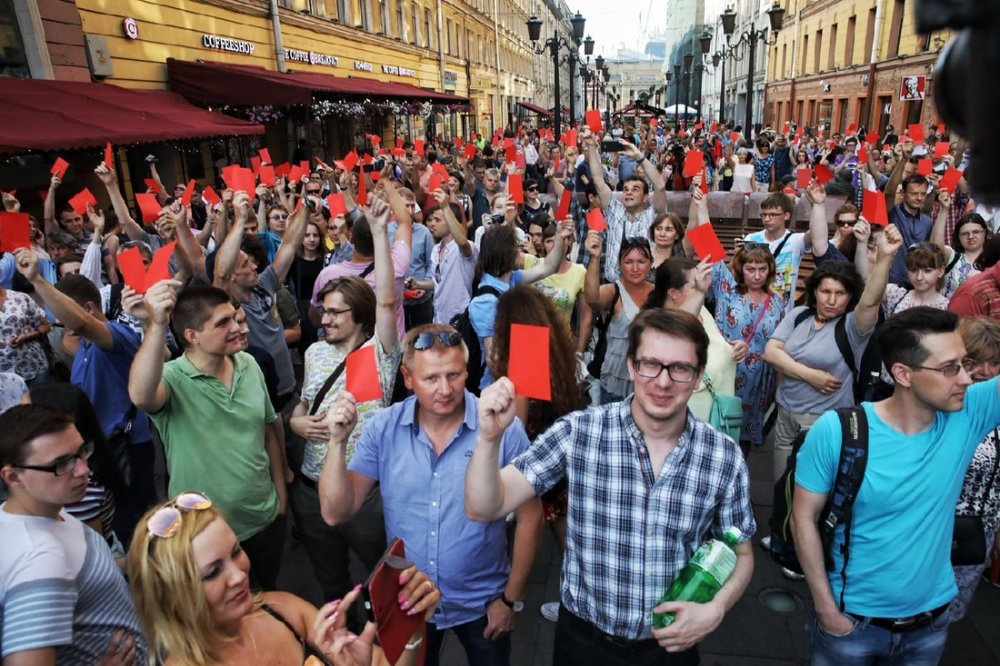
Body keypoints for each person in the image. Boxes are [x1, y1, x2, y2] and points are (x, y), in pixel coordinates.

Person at [464, 308, 756, 665]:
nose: (663, 382)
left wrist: (717, 608)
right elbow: (485, 506)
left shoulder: (723, 456)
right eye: (650, 363)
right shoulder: (580, 432)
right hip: (585, 642)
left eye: (680, 368)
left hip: (670, 646)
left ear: (698, 377)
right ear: (631, 366)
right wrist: (488, 439)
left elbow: (741, 552)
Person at [317, 323, 543, 666]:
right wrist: (337, 443)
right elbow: (336, 512)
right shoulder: (383, 428)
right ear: (407, 378)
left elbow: (531, 517)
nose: (445, 389)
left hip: (483, 601)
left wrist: (511, 600)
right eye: (431, 379)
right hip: (410, 603)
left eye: (454, 375)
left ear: (468, 371)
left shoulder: (503, 428)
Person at [792, 307, 1000, 665]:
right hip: (851, 622)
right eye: (950, 368)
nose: (967, 378)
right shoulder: (838, 431)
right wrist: (827, 609)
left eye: (964, 364)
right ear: (903, 373)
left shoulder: (968, 414)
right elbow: (803, 520)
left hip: (931, 623)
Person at [128, 494, 440, 666]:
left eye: (236, 551)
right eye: (212, 572)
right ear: (172, 597)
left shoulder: (282, 610)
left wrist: (409, 628)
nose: (238, 575)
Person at [129, 282, 288, 590]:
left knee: (269, 599)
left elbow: (268, 431)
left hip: (265, 520)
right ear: (192, 336)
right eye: (223, 322)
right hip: (203, 534)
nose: (238, 327)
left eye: (235, 317)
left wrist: (280, 497)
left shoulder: (249, 364)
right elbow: (140, 395)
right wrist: (157, 323)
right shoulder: (172, 379)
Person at [288, 198, 399, 606]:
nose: (325, 318)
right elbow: (302, 405)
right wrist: (295, 423)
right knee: (331, 585)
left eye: (336, 313)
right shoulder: (315, 352)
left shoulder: (380, 352)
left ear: (360, 314)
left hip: (365, 494)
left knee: (381, 577)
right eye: (323, 310)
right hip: (312, 490)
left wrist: (380, 230)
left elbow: (388, 300)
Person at [13, 249, 158, 543]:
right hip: (104, 448)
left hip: (128, 447)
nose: (63, 324)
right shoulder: (83, 350)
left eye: (66, 316)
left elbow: (79, 323)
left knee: (139, 526)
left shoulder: (115, 336)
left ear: (89, 309)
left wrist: (38, 280)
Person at [0, 404, 146, 664]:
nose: (83, 470)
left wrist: (133, 561)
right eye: (61, 464)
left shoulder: (39, 512)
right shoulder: (40, 563)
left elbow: (79, 575)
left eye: (81, 452)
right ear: (13, 477)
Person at [763, 225, 901, 488]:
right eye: (826, 292)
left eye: (840, 294)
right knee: (781, 487)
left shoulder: (852, 327)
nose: (832, 300)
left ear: (850, 297)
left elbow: (871, 302)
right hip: (786, 416)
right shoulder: (799, 316)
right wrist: (811, 375)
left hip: (823, 421)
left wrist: (883, 258)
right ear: (815, 291)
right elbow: (771, 353)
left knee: (813, 490)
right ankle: (780, 530)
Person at [644, 257, 742, 424]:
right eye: (696, 283)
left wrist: (735, 348)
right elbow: (680, 332)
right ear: (674, 293)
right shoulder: (659, 323)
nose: (703, 286)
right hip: (692, 419)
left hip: (721, 414)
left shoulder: (702, 310)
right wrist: (701, 293)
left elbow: (717, 343)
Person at [469, 222, 566, 390]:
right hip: (494, 389)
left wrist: (560, 236)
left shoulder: (511, 278)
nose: (520, 250)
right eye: (516, 247)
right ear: (504, 252)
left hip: (516, 379)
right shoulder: (486, 301)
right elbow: (494, 359)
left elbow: (548, 267)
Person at [949, 317, 1000, 621]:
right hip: (933, 527)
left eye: (994, 362)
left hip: (980, 533)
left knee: (949, 616)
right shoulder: (946, 405)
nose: (985, 371)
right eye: (976, 361)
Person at [583, 234, 654, 403]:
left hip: (648, 382)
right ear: (620, 265)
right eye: (628, 262)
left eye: (641, 262)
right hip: (615, 384)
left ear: (651, 264)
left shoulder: (658, 294)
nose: (635, 268)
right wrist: (595, 257)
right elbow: (592, 298)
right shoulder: (613, 291)